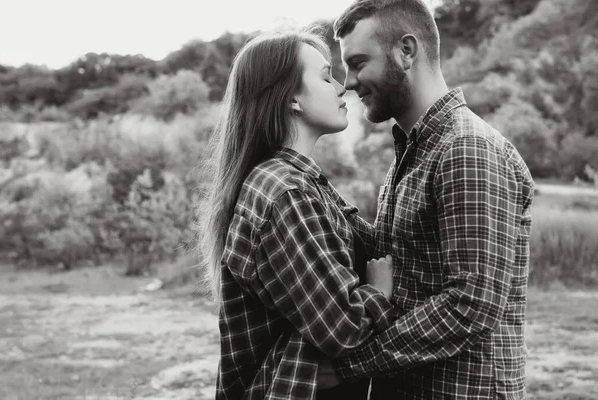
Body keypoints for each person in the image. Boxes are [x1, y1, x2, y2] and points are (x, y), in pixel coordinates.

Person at [316, 0, 535, 399]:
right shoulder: (416, 149)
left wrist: (350, 365)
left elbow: (471, 305)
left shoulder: (466, 149)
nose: (349, 81)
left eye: (359, 62)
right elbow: (400, 258)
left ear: (406, 51)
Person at [197, 29, 399, 400]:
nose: (342, 88)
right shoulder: (286, 193)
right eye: (325, 77)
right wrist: (378, 292)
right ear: (292, 99)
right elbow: (343, 327)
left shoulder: (299, 182)